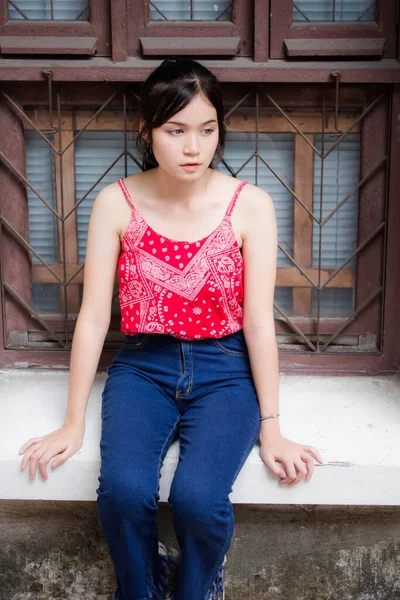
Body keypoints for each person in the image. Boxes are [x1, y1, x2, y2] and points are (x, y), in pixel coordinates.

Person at [18, 57, 324, 600]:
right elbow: (93, 317)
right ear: (148, 132)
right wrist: (71, 423)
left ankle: (198, 586)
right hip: (143, 367)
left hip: (225, 369)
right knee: (122, 492)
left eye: (207, 130)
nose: (193, 147)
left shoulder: (249, 205)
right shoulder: (118, 202)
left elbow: (258, 322)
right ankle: (140, 588)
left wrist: (272, 426)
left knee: (198, 500)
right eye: (175, 130)